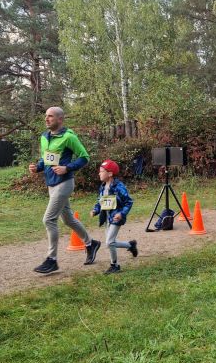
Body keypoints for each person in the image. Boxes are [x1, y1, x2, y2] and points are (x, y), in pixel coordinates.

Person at [29, 106, 100, 274]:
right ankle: (91, 243)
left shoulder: (69, 137)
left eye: (51, 116)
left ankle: (51, 260)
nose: (46, 119)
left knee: (48, 220)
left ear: (60, 119)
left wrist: (67, 168)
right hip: (51, 184)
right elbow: (46, 159)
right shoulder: (44, 137)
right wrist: (37, 167)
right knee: (68, 220)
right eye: (46, 116)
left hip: (64, 183)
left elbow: (85, 157)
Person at [90, 160, 138, 274]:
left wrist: (121, 214)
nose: (99, 174)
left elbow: (128, 202)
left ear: (110, 174)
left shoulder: (119, 187)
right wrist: (95, 210)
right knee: (111, 242)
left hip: (116, 218)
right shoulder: (102, 187)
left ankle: (114, 265)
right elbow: (100, 202)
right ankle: (131, 245)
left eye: (101, 171)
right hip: (106, 218)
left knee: (109, 242)